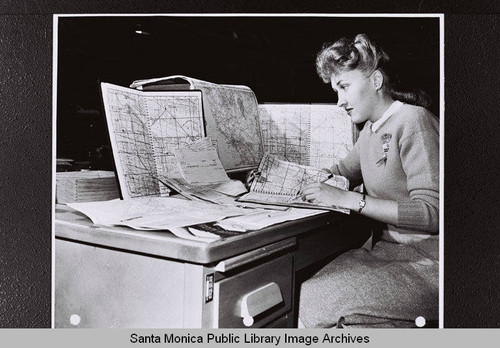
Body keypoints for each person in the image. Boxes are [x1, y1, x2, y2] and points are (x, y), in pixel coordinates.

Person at [298, 34, 439, 328]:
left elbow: (432, 213)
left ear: (375, 81)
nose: (339, 102)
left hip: (432, 263)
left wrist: (350, 199)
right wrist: (282, 180)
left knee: (313, 298)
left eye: (344, 87)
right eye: (336, 90)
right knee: (306, 291)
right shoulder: (371, 131)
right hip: (390, 254)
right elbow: (340, 170)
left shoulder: (414, 121)